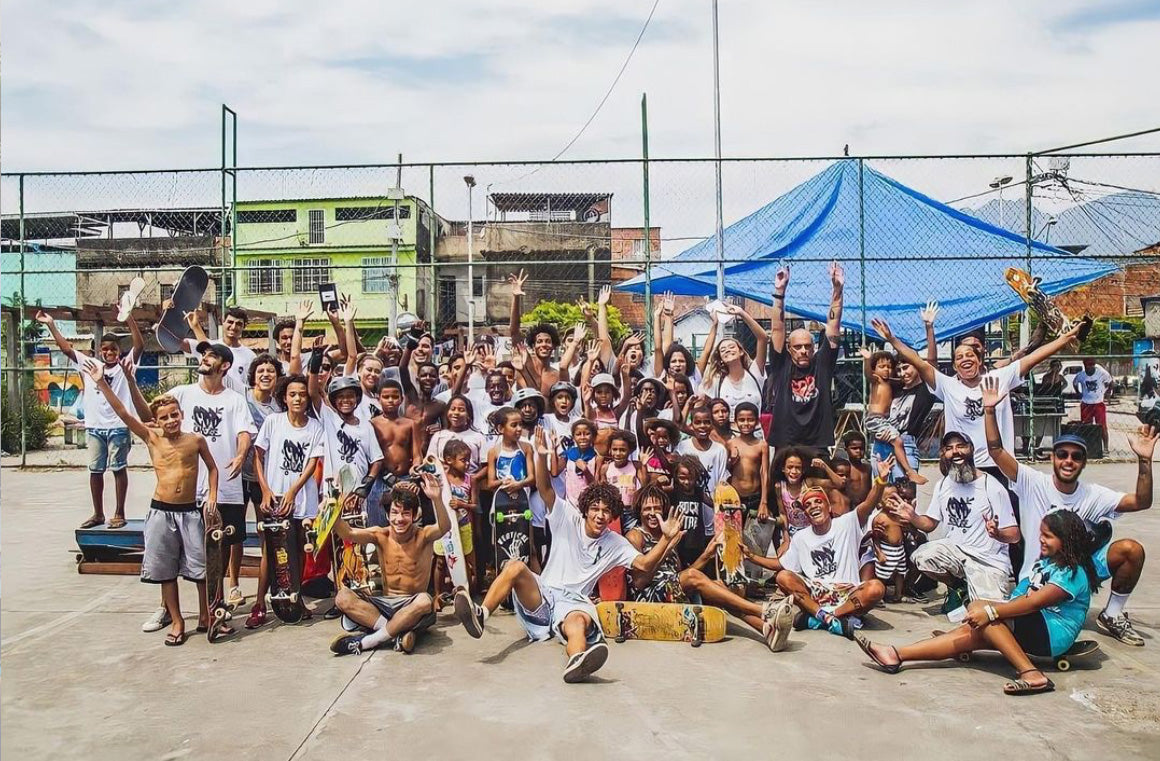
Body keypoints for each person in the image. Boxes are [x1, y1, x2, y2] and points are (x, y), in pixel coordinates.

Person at [453, 427, 685, 683]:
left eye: (606, 511)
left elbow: (643, 564)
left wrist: (667, 538)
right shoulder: (567, 517)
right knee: (515, 567)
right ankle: (480, 616)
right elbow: (544, 489)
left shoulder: (615, 542)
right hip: (543, 595)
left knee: (577, 623)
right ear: (585, 510)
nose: (600, 515)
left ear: (613, 516)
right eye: (595, 509)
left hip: (574, 602)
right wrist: (541, 456)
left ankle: (577, 660)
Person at [981, 376, 1157, 646]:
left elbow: (1141, 502)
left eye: (1076, 456)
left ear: (1084, 462)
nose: (1068, 461)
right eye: (1062, 454)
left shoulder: (1093, 493)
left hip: (1077, 571)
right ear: (1052, 457)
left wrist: (1144, 460)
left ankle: (1112, 614)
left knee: (1131, 550)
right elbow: (995, 450)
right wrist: (990, 410)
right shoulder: (1032, 482)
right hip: (1038, 574)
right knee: (1001, 625)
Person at [856, 509, 1101, 696]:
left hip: (1053, 634)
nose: (1042, 541)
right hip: (1035, 623)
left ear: (1067, 541)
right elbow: (1020, 595)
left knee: (988, 619)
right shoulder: (1046, 563)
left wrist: (992, 612)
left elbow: (1033, 603)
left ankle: (1032, 673)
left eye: (1048, 537)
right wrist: (986, 608)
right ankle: (895, 654)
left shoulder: (1072, 573)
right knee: (976, 617)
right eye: (1041, 535)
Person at [83, 365, 219, 646]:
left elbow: (213, 469)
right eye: (164, 417)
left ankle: (206, 615)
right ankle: (177, 619)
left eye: (174, 415)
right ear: (156, 421)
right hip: (161, 511)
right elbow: (124, 413)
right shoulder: (152, 438)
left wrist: (213, 497)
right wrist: (103, 384)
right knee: (165, 570)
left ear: (182, 415)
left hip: (190, 512)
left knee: (200, 568)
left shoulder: (195, 440)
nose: (170, 421)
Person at [142, 341, 255, 634]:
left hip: (225, 489)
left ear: (225, 366)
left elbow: (244, 431)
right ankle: (167, 610)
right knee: (172, 553)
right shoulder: (182, 394)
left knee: (216, 554)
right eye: (203, 354)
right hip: (188, 493)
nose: (205, 358)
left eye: (212, 355)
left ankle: (213, 611)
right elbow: (152, 412)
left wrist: (241, 454)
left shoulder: (235, 399)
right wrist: (129, 380)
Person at [625, 484, 796, 652]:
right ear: (639, 510)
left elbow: (679, 577)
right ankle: (764, 611)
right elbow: (640, 582)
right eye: (647, 508)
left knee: (719, 588)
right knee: (693, 576)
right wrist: (666, 547)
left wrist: (706, 555)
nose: (653, 513)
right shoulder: (636, 536)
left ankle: (766, 630)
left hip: (671, 591)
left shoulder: (668, 532)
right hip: (648, 597)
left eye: (657, 507)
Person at [744, 457, 894, 638]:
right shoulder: (801, 537)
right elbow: (782, 565)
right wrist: (750, 556)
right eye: (807, 505)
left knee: (876, 588)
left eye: (817, 502)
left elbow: (869, 504)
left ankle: (822, 618)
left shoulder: (847, 523)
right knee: (783, 577)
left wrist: (881, 480)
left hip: (847, 593)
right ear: (805, 513)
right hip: (817, 592)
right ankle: (830, 618)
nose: (813, 506)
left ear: (828, 507)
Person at [888, 431, 1020, 612]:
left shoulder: (992, 487)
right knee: (923, 556)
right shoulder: (943, 485)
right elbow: (930, 523)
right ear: (944, 454)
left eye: (961, 446)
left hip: (987, 561)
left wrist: (997, 533)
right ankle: (959, 587)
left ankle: (973, 591)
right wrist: (913, 517)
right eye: (949, 448)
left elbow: (1014, 535)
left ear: (971, 449)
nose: (955, 452)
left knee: (986, 614)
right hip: (956, 553)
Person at [37, 309, 144, 530]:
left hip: (118, 427)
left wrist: (128, 317)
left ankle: (119, 512)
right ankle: (98, 513)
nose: (109, 352)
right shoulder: (90, 366)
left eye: (113, 349)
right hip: (95, 428)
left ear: (119, 351)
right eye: (104, 349)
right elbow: (66, 349)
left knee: (118, 468)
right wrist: (51, 324)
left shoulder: (126, 365)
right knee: (95, 470)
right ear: (99, 351)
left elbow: (140, 345)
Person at [330, 471, 451, 655]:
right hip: (384, 604)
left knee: (425, 601)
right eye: (394, 512)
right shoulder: (381, 535)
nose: (399, 519)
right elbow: (348, 533)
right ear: (387, 515)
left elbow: (444, 527)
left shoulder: (423, 536)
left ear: (414, 516)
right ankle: (396, 634)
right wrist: (335, 509)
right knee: (342, 597)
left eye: (405, 513)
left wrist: (436, 499)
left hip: (413, 605)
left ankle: (368, 641)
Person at [251, 374, 326, 626]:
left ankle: (295, 600)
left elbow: (312, 463)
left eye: (302, 394)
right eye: (292, 394)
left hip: (302, 500)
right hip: (274, 498)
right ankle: (260, 603)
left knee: (300, 550)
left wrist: (293, 491)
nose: (297, 398)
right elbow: (258, 455)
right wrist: (265, 489)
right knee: (270, 553)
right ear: (284, 397)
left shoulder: (315, 427)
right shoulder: (273, 421)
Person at [766, 263, 844, 450]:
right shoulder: (782, 364)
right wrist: (779, 291)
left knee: (822, 481)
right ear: (789, 349)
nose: (803, 350)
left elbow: (833, 324)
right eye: (798, 347)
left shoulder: (822, 364)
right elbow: (778, 328)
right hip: (786, 443)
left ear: (814, 347)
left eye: (807, 346)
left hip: (817, 443)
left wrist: (837, 289)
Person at [240, 354, 283, 619]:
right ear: (253, 375)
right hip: (236, 477)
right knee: (229, 538)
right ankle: (228, 590)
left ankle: (260, 600)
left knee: (267, 539)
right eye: (261, 370)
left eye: (271, 371)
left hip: (264, 481)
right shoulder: (240, 400)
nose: (266, 374)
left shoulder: (280, 407)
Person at [859, 347, 926, 484]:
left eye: (889, 367)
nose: (886, 370)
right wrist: (867, 360)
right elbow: (867, 375)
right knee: (898, 441)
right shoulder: (877, 380)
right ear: (874, 369)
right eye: (881, 366)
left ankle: (907, 471)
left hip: (884, 421)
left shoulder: (892, 382)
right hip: (875, 419)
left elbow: (908, 379)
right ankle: (909, 471)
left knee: (896, 440)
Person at [698, 305, 769, 419]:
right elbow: (700, 405)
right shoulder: (717, 381)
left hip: (756, 434)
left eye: (731, 347)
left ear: (741, 351)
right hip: (729, 434)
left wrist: (741, 313)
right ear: (720, 358)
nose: (727, 350)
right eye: (723, 350)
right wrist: (714, 324)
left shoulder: (755, 373)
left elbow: (763, 338)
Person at [367, 378, 421, 526]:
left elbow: (416, 455)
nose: (390, 400)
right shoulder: (372, 424)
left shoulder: (410, 424)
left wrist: (414, 477)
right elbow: (371, 456)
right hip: (381, 479)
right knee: (377, 527)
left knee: (406, 523)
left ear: (401, 399)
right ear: (379, 399)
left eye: (395, 396)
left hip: (405, 479)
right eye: (386, 397)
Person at [432, 439, 477, 605]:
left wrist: (462, 504)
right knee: (440, 561)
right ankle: (437, 595)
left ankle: (468, 593)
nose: (467, 464)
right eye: (463, 460)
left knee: (468, 561)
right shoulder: (441, 480)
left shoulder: (470, 480)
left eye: (468, 460)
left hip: (464, 526)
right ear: (449, 460)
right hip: (444, 528)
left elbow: (475, 505)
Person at [184, 305, 256, 394]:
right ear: (223, 322)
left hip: (235, 404)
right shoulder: (205, 347)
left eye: (238, 324)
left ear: (244, 326)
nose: (233, 327)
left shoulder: (250, 356)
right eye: (230, 322)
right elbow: (172, 343)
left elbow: (253, 386)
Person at [676, 405, 729, 496]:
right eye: (698, 422)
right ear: (691, 425)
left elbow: (722, 480)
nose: (702, 426)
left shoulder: (720, 450)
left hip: (712, 504)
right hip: (689, 503)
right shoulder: (682, 447)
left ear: (712, 424)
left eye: (707, 422)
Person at [1073, 357, 1114, 451]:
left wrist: (1108, 392)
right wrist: (1078, 392)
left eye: (1092, 365)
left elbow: (1111, 383)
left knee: (1102, 426)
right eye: (1088, 365)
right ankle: (1088, 447)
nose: (1090, 367)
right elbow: (1075, 383)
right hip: (1086, 403)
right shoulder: (1081, 375)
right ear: (1085, 366)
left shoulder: (1101, 373)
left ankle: (1106, 447)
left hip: (1098, 403)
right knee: (1086, 426)